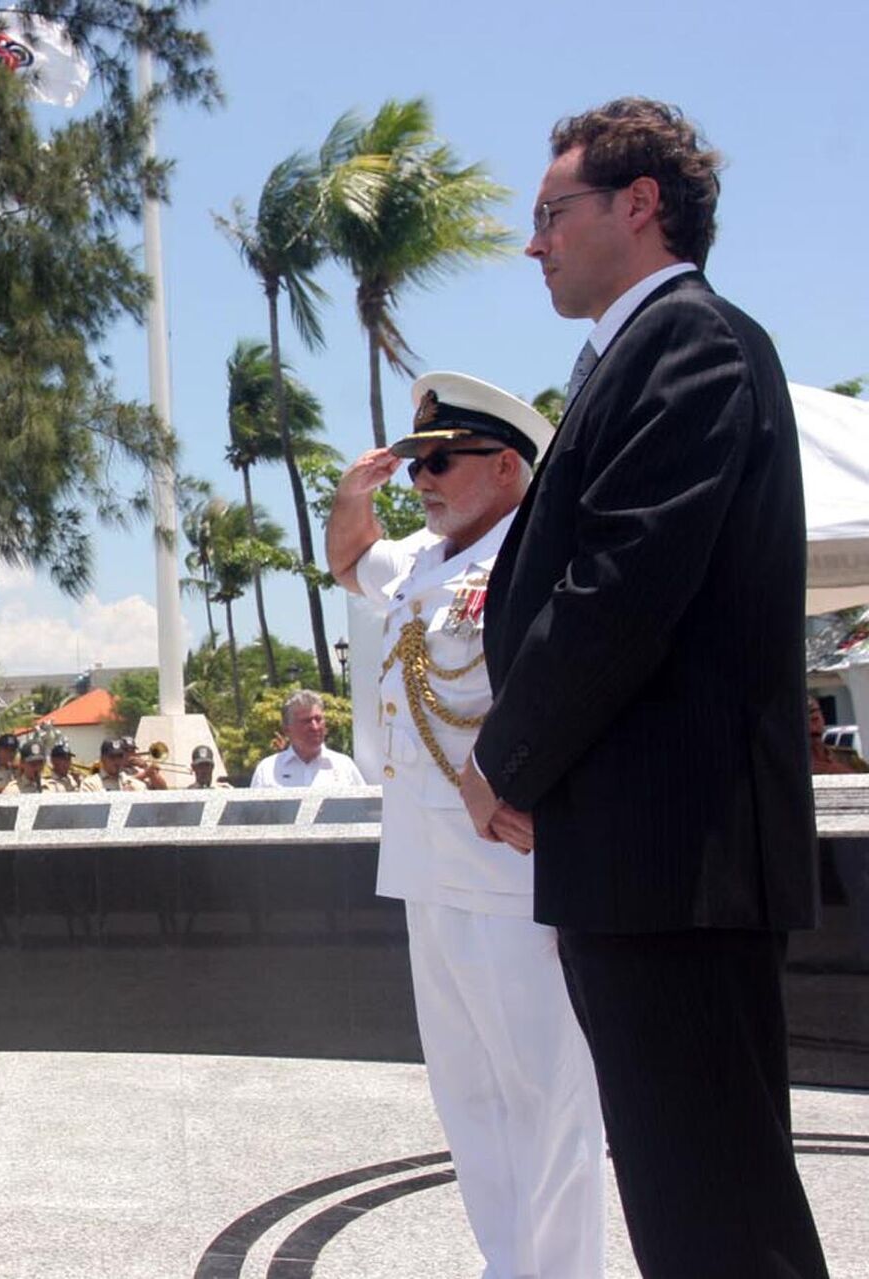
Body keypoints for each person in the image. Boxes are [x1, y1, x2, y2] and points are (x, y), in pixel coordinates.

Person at [464, 98, 827, 1277]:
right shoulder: (634, 353)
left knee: (719, 1214)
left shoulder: (693, 345)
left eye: (550, 213)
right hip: (643, 861)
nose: (535, 243)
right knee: (690, 1205)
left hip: (683, 866)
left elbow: (621, 585)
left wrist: (502, 759)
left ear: (640, 203)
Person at [329, 371, 604, 1278]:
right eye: (414, 464)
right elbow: (347, 560)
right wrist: (352, 491)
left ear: (508, 465)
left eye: (441, 461)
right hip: (422, 859)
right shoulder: (418, 559)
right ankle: (509, 1262)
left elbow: (579, 681)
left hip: (509, 862)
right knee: (468, 1092)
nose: (423, 481)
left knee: (548, 1093)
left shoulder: (543, 548)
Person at [247, 691, 365, 788]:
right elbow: (254, 815)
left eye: (318, 719)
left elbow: (365, 811)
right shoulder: (267, 770)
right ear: (287, 729)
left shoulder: (344, 766)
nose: (314, 727)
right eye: (306, 721)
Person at [810, 697, 867, 775]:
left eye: (815, 718)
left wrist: (840, 771)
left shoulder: (848, 758)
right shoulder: (793, 763)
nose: (814, 726)